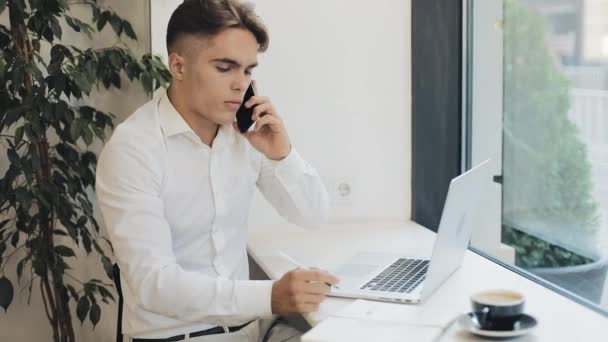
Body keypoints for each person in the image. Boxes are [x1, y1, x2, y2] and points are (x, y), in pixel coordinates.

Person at [95, 0, 339, 341]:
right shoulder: (134, 150)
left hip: (251, 330)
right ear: (178, 66)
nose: (241, 84)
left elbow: (313, 215)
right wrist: (271, 296)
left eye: (248, 70)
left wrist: (282, 154)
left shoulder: (244, 135)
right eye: (225, 68)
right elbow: (155, 284)